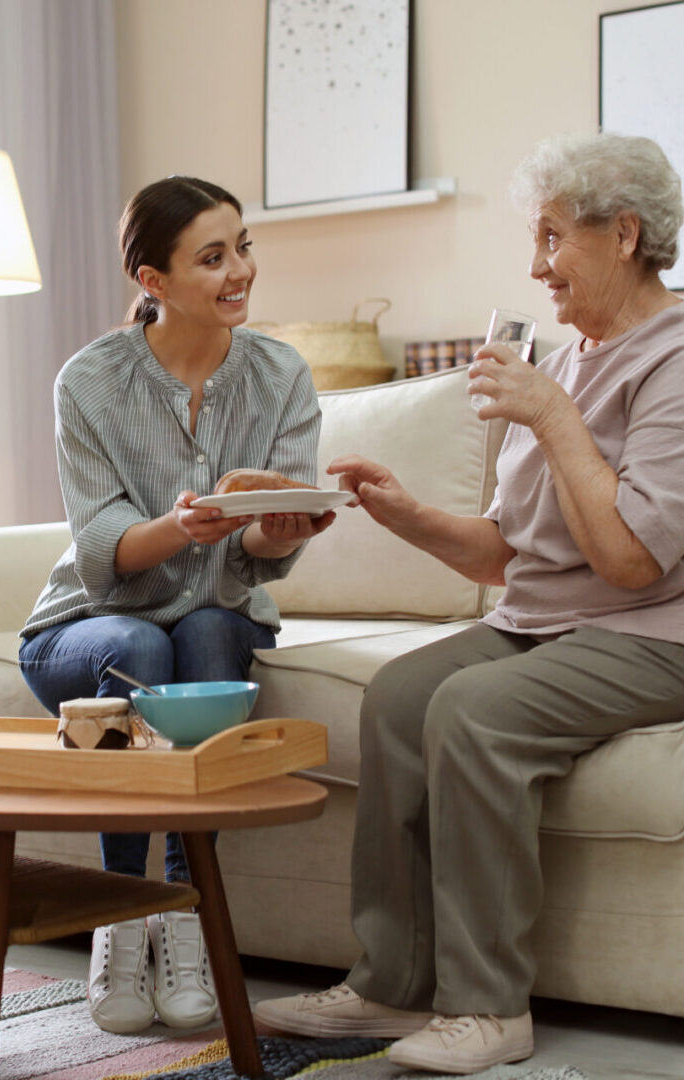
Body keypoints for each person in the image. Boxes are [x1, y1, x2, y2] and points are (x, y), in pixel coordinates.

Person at [254, 131, 684, 1074]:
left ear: (624, 234)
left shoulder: (673, 363)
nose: (536, 268)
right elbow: (506, 553)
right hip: (539, 624)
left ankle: (490, 1009)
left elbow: (632, 561)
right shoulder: (566, 362)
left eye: (552, 239)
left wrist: (552, 417)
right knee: (400, 695)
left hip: (650, 633)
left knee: (476, 711)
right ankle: (387, 986)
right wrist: (403, 514)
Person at [18, 175, 334, 1035]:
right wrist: (184, 527)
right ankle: (124, 917)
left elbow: (265, 557)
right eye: (213, 257)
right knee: (144, 648)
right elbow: (102, 552)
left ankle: (184, 916)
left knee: (204, 631)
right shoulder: (90, 381)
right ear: (152, 281)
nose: (241, 271)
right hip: (83, 629)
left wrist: (275, 529)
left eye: (244, 247)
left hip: (215, 611)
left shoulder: (280, 374)